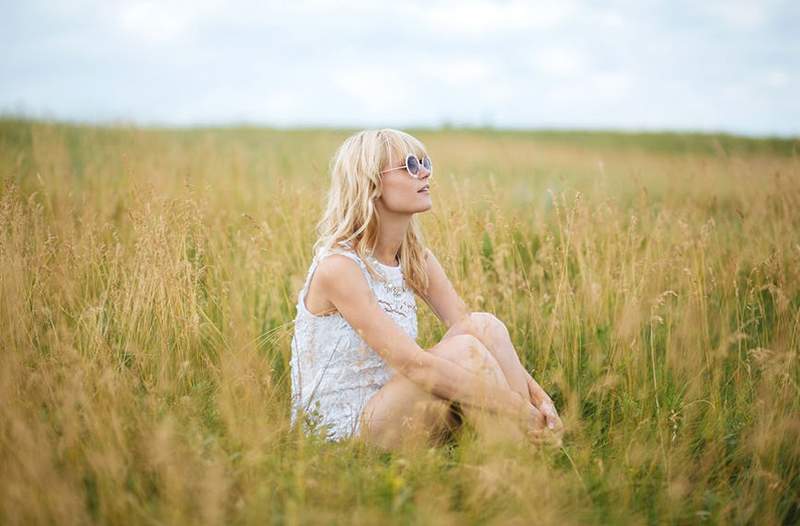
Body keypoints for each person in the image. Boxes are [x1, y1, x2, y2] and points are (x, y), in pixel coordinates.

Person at [289, 128, 563, 452]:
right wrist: (514, 407)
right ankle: (520, 461)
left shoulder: (413, 255)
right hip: (341, 431)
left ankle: (529, 448)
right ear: (371, 184)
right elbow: (414, 365)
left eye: (425, 162)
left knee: (483, 326)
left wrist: (538, 398)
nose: (426, 172)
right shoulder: (339, 268)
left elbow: (467, 325)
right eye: (410, 164)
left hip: (398, 405)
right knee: (464, 351)